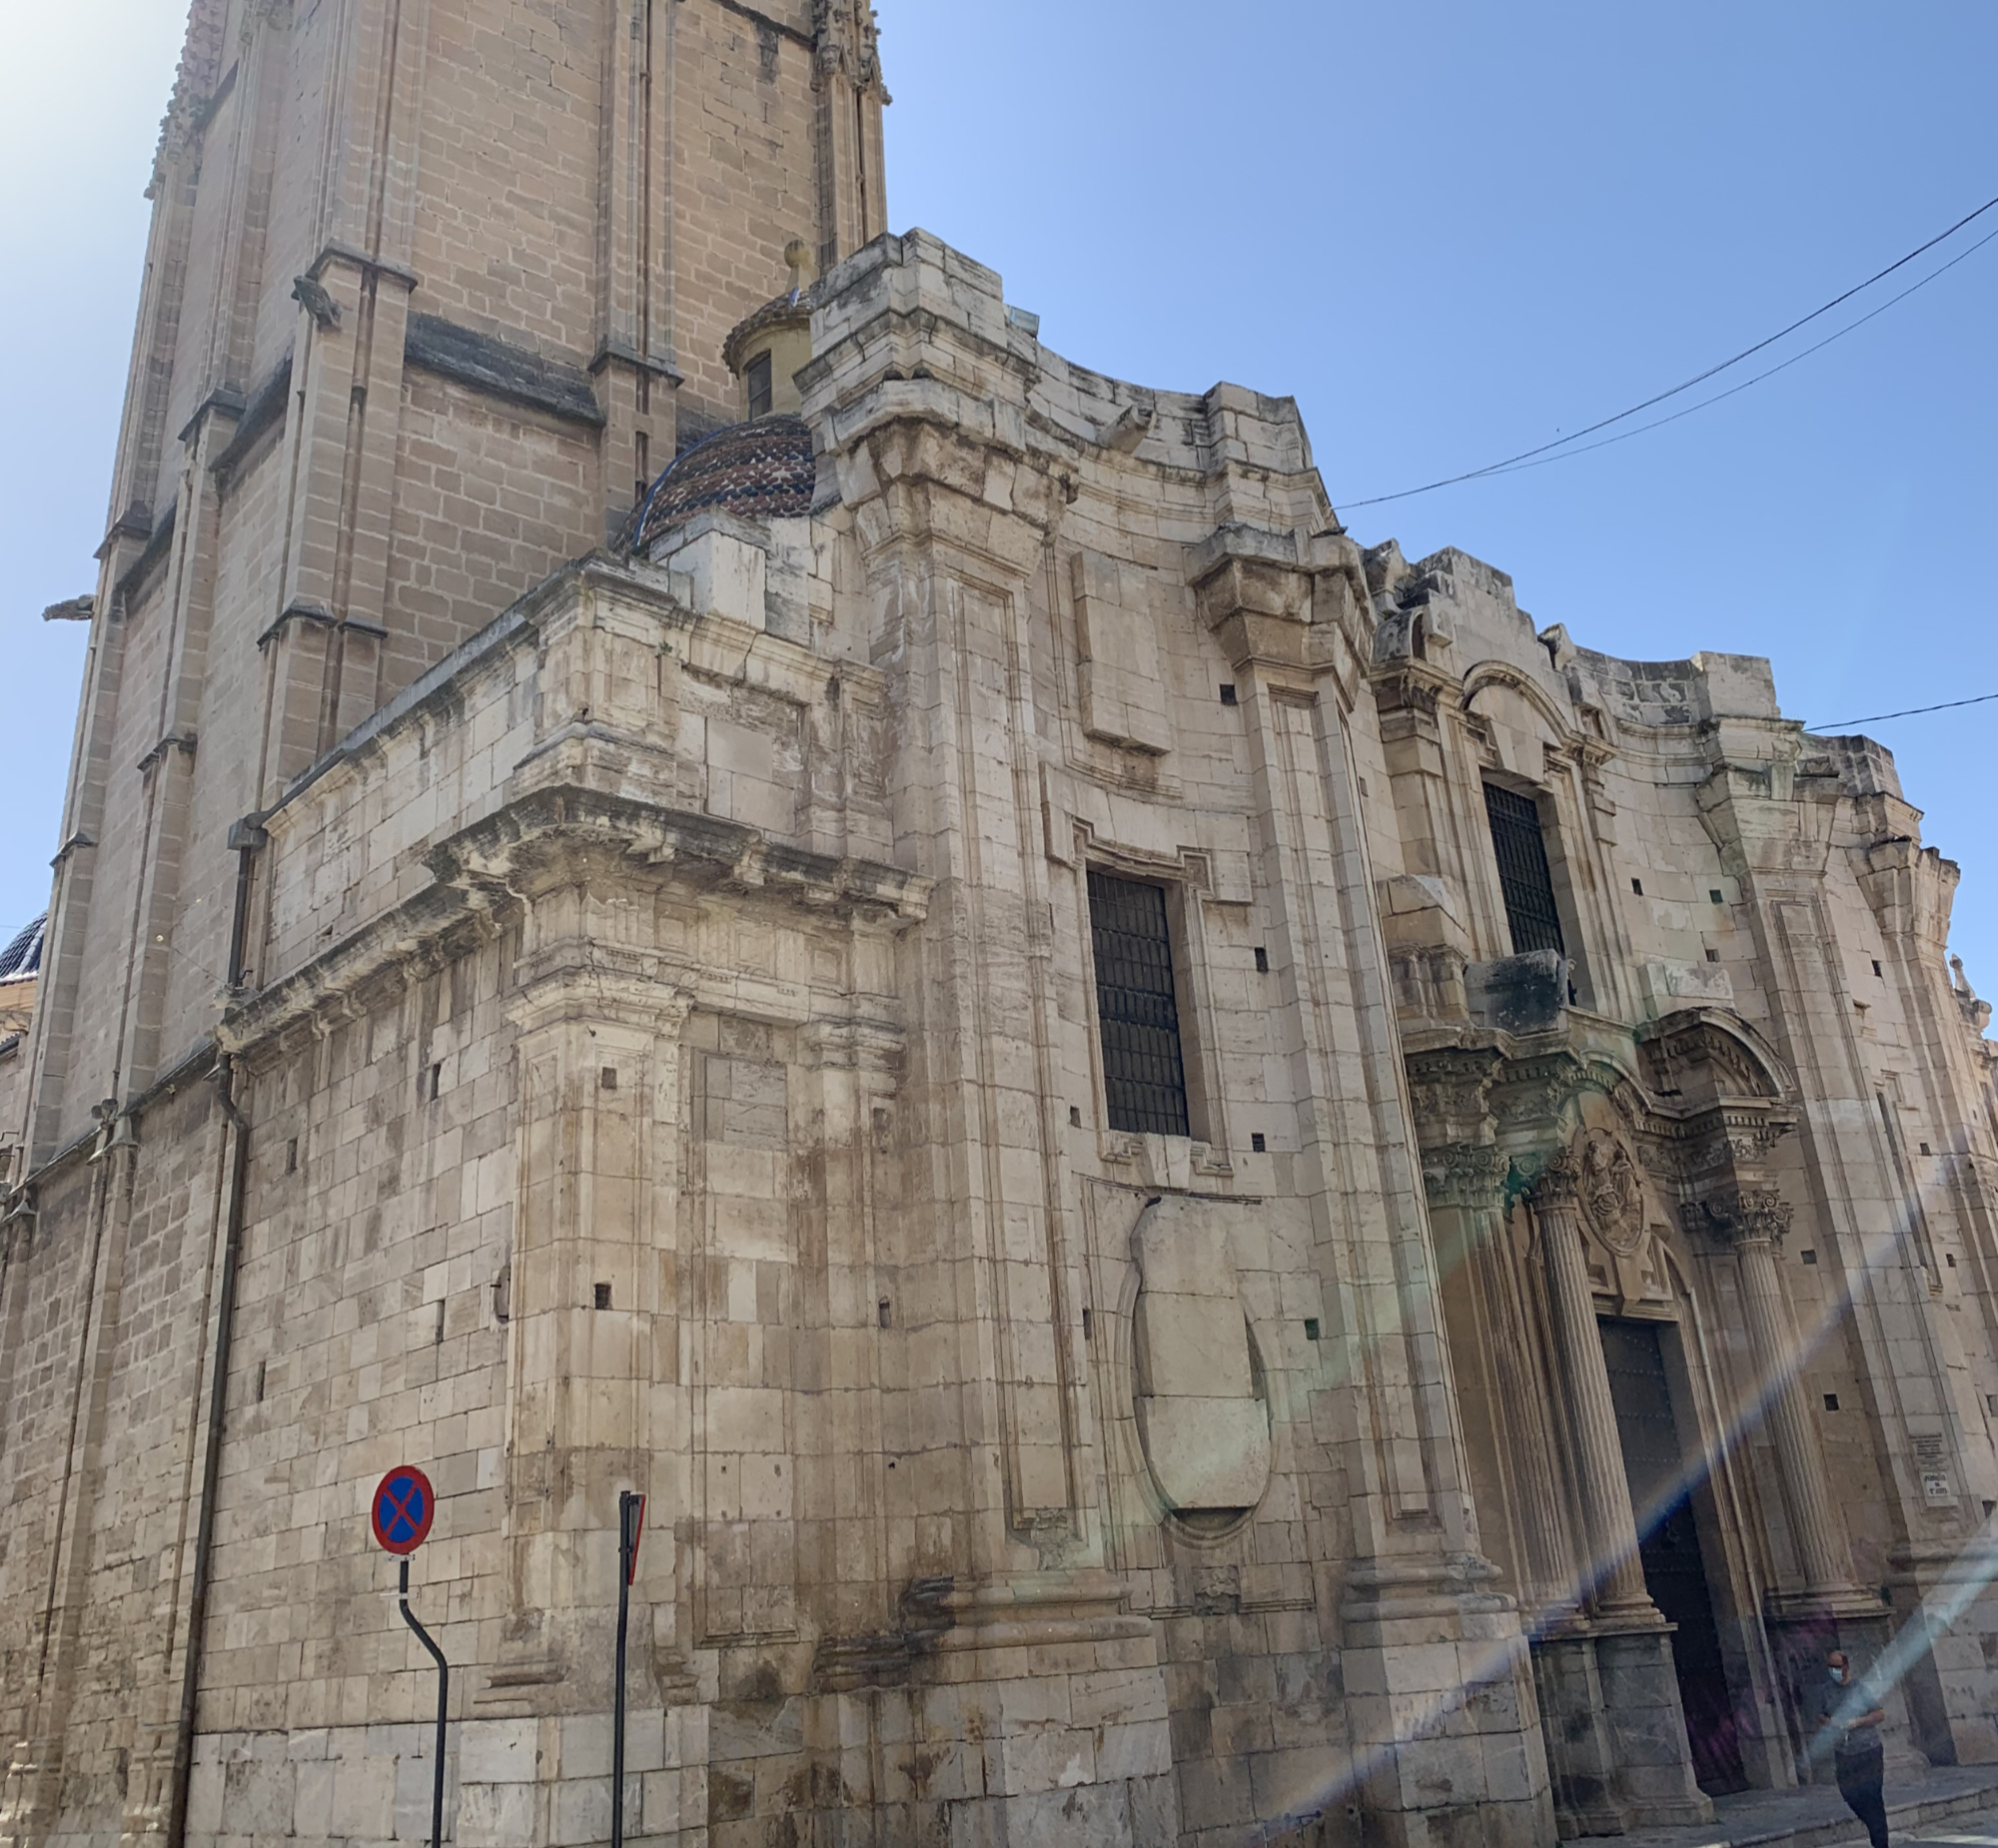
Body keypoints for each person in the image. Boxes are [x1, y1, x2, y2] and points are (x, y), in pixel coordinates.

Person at [1810, 1648, 1889, 1848]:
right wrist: (1830, 1722)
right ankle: (1874, 1825)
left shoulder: (1859, 1688)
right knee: (1849, 1794)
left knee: (1873, 1797)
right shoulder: (1825, 1691)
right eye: (1830, 1667)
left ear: (1845, 1668)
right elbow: (1820, 1715)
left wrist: (1857, 1722)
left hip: (1868, 1749)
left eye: (1837, 1667)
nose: (1833, 1671)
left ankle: (1880, 1842)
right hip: (1844, 1752)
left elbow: (1879, 1714)